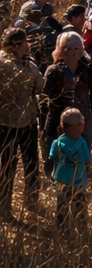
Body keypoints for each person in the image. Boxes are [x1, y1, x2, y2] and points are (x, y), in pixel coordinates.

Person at [0, 28, 44, 220]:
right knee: (31, 164)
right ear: (18, 45)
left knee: (6, 167)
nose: (28, 45)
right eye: (26, 42)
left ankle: (4, 208)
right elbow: (40, 85)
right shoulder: (27, 66)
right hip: (24, 122)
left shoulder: (2, 61)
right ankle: (31, 202)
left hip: (6, 122)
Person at [42, 32, 92, 148]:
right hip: (57, 121)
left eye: (76, 48)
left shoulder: (87, 70)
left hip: (82, 121)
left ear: (81, 51)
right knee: (55, 153)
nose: (73, 52)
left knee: (82, 153)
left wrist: (90, 66)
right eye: (68, 48)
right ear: (61, 51)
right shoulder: (54, 70)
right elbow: (45, 95)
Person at [48, 107, 89, 230]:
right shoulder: (82, 143)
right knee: (79, 205)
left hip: (62, 180)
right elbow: (87, 159)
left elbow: (53, 157)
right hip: (78, 181)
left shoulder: (56, 142)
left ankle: (61, 228)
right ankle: (81, 228)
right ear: (80, 126)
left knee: (62, 205)